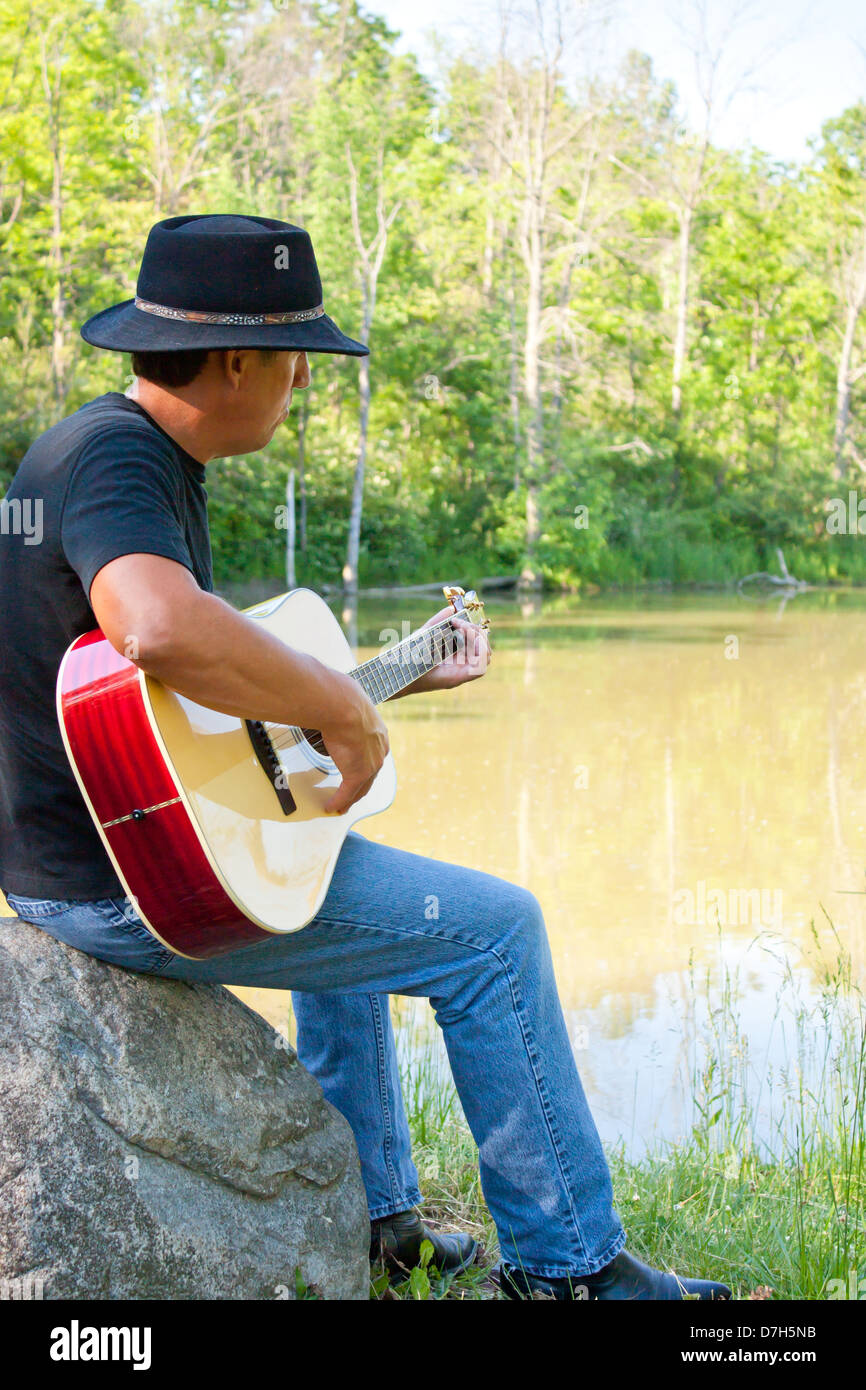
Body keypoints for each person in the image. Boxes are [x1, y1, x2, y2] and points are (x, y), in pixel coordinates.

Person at [0, 214, 731, 1300]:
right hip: (123, 886)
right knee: (493, 934)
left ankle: (377, 1214)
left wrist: (383, 682)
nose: (304, 379)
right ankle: (570, 1268)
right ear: (237, 358)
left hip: (99, 853)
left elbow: (174, 705)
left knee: (325, 844)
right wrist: (351, 713)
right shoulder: (116, 456)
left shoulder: (91, 447)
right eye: (298, 356)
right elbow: (155, 627)